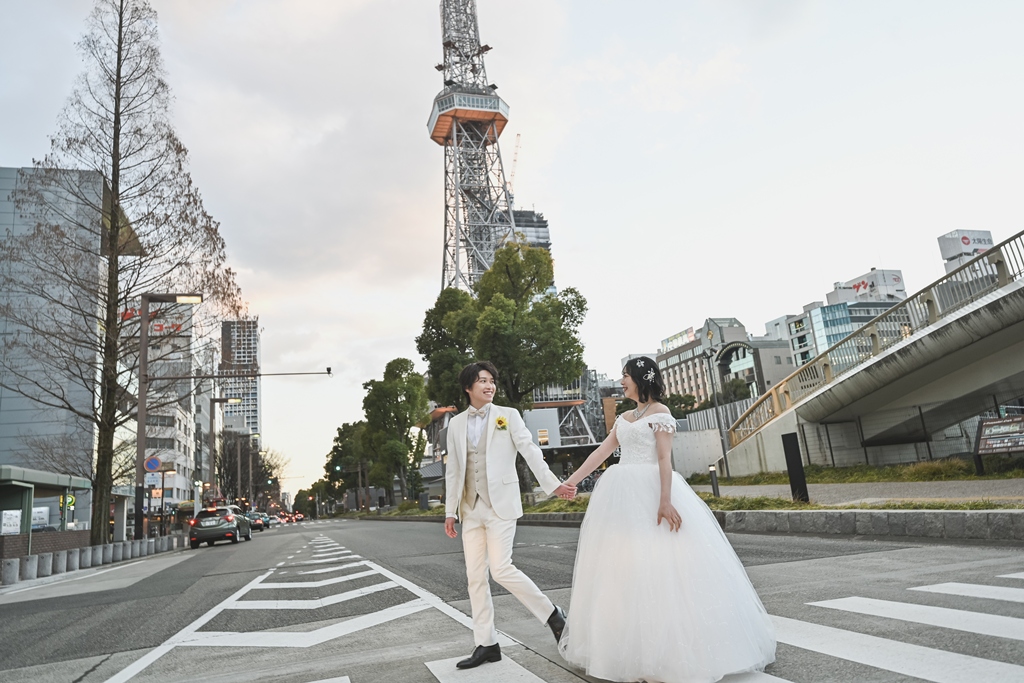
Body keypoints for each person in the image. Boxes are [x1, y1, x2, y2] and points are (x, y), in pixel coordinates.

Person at [556, 356, 777, 683]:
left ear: (641, 379)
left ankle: (668, 654)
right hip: (622, 497)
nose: (622, 381)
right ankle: (629, 650)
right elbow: (600, 453)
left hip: (652, 492)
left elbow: (664, 458)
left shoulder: (661, 413)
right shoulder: (624, 418)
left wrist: (664, 500)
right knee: (625, 568)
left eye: (626, 375)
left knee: (661, 567)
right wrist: (570, 482)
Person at [444, 361, 577, 670]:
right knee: (475, 578)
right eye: (482, 381)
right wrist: (450, 511)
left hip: (501, 504)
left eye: (492, 380)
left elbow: (530, 451)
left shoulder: (508, 416)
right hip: (470, 508)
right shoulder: (456, 424)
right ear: (468, 387)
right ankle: (486, 643)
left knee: (501, 569)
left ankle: (552, 615)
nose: (489, 385)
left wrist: (553, 484)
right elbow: (454, 471)